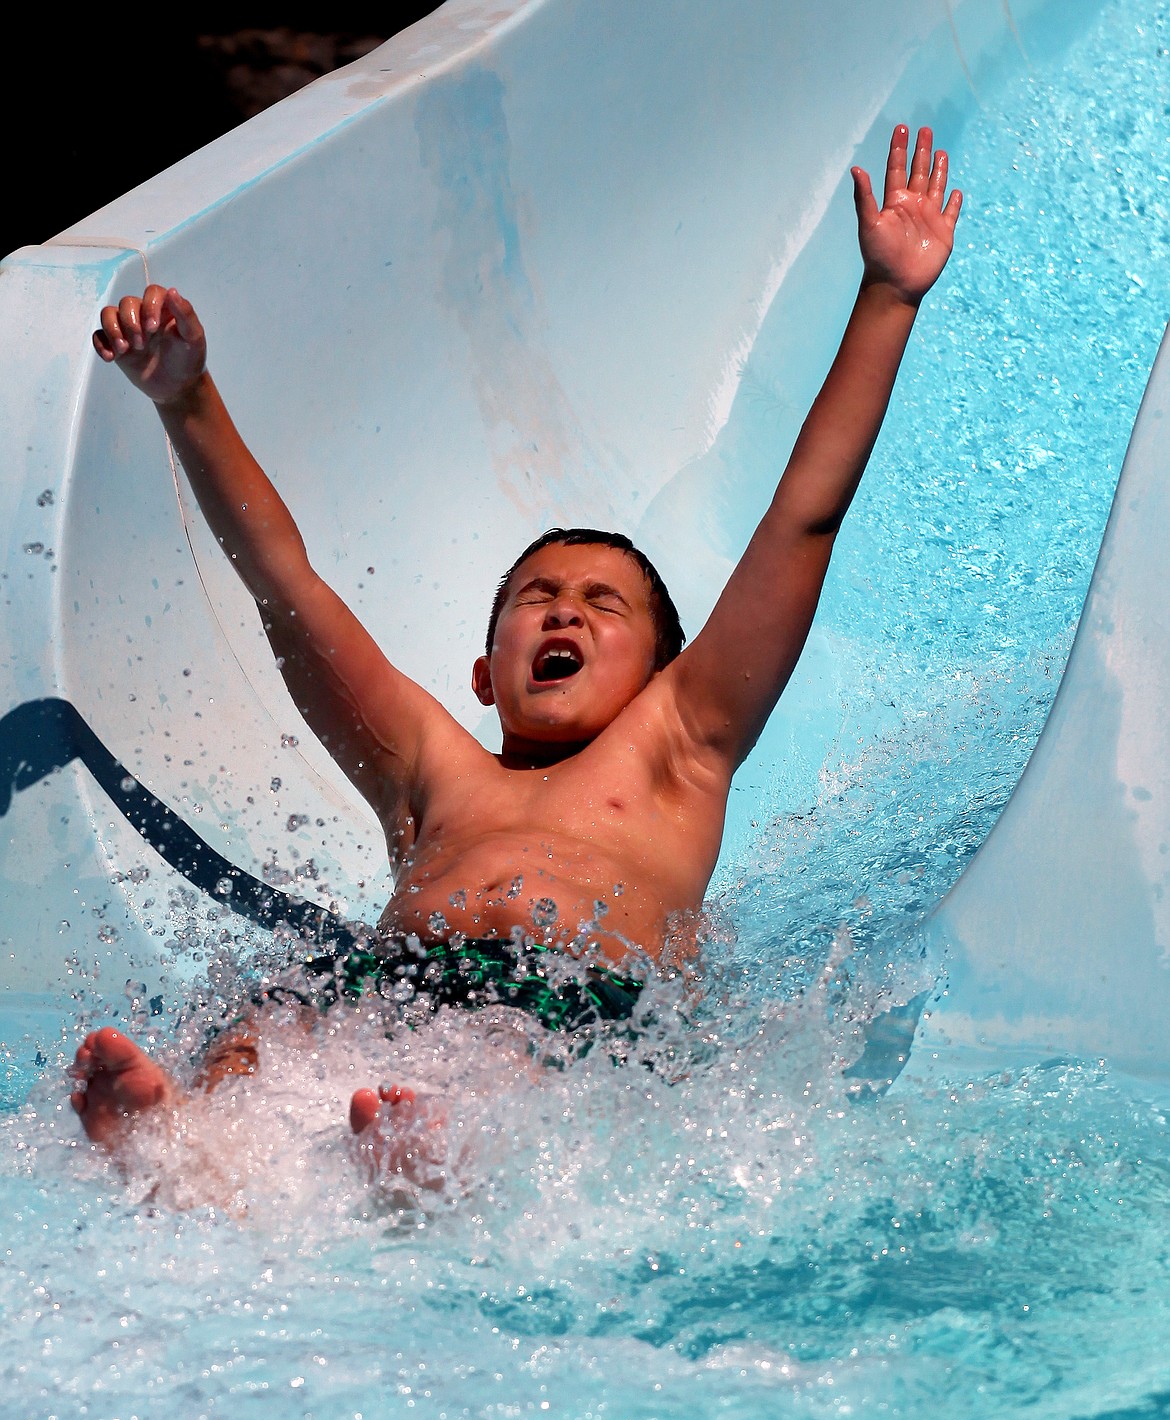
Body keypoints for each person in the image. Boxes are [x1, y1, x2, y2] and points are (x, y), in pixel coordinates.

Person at [71, 125, 962, 1180]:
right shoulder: (431, 768)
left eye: (601, 604)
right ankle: (186, 1151)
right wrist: (186, 399)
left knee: (509, 1052)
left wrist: (887, 299)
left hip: (569, 1003)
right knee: (274, 1012)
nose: (564, 615)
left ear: (666, 672)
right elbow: (286, 587)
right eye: (536, 597)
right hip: (399, 985)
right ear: (485, 673)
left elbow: (801, 521)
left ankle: (428, 1173)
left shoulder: (680, 746)